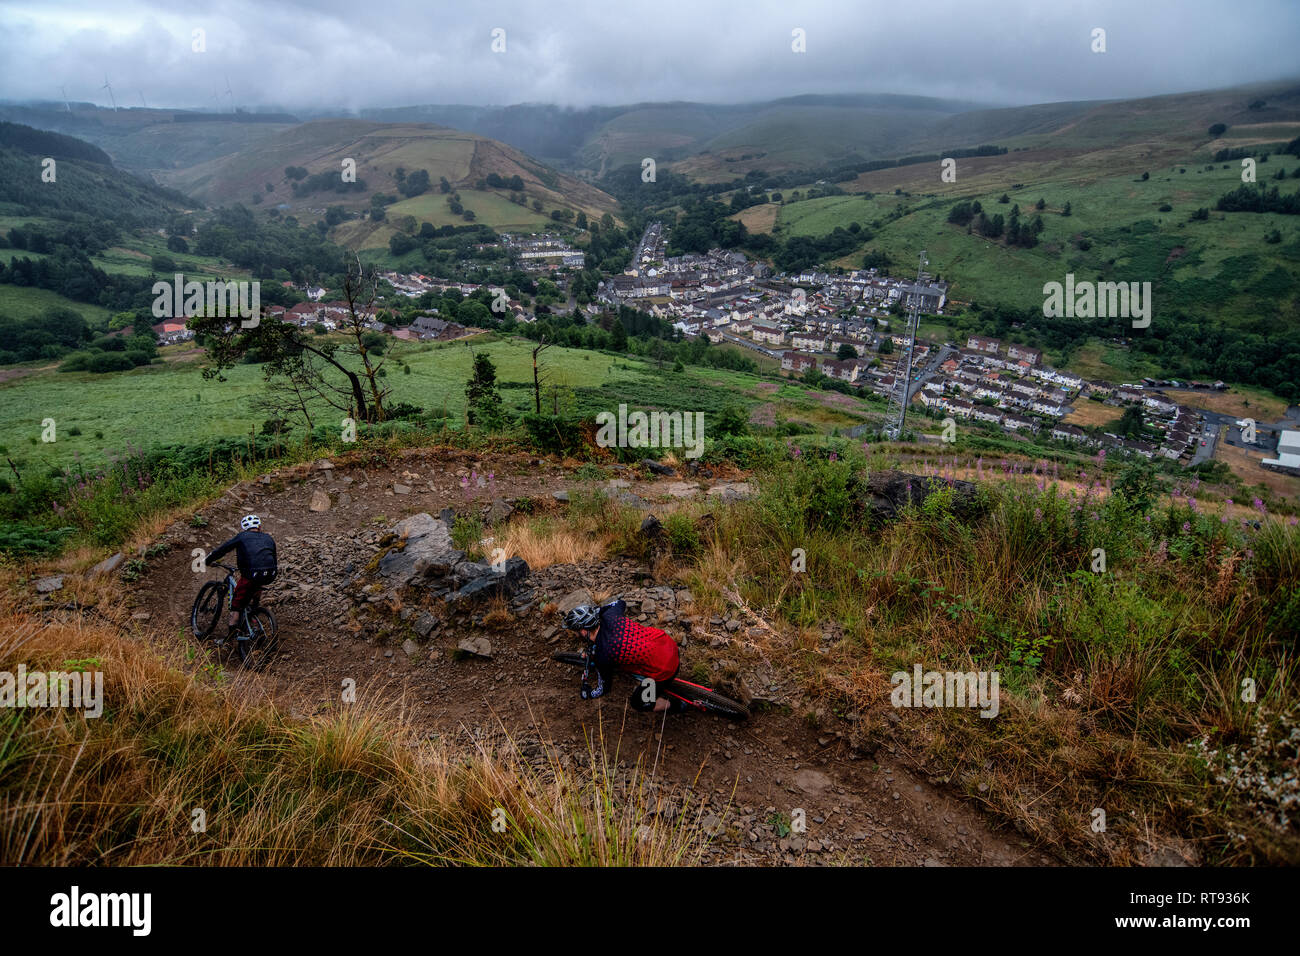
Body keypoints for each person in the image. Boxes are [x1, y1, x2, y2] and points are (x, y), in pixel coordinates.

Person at [563, 599, 688, 714]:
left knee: (638, 703)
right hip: (667, 644)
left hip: (664, 670)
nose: (575, 634)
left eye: (576, 631)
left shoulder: (603, 654)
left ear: (584, 631)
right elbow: (620, 602)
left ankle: (675, 706)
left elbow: (603, 688)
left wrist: (590, 693)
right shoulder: (610, 615)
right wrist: (598, 611)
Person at [205, 515, 278, 638]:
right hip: (270, 574)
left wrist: (208, 560)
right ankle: (254, 609)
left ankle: (230, 637)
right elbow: (273, 557)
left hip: (251, 574)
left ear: (244, 528)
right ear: (259, 527)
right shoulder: (268, 538)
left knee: (236, 605)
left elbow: (223, 549)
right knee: (256, 585)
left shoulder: (242, 537)